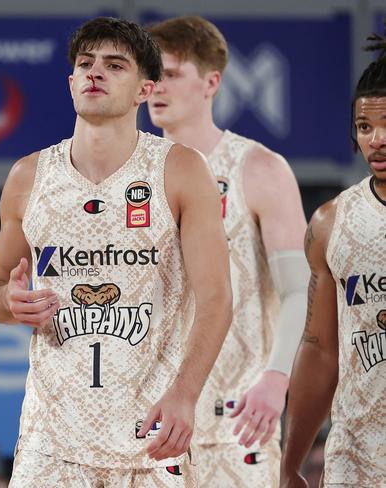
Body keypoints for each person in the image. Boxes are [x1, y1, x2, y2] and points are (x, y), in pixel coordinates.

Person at [0, 16, 232, 487]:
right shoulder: (28, 176)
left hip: (150, 435)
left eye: (115, 65)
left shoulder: (179, 169)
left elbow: (217, 297)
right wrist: (8, 302)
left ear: (144, 90)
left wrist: (185, 394)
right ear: (71, 82)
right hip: (51, 439)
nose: (95, 72)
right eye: (86, 63)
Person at [146, 16, 308, 487]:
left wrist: (277, 378)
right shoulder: (130, 175)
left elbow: (301, 290)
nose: (156, 86)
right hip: (151, 423)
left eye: (172, 74)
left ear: (212, 82)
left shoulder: (257, 169)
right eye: (151, 74)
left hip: (237, 419)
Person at [280, 30, 386, 488]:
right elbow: (320, 350)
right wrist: (291, 462)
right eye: (365, 127)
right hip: (355, 458)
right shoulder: (331, 222)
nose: (377, 140)